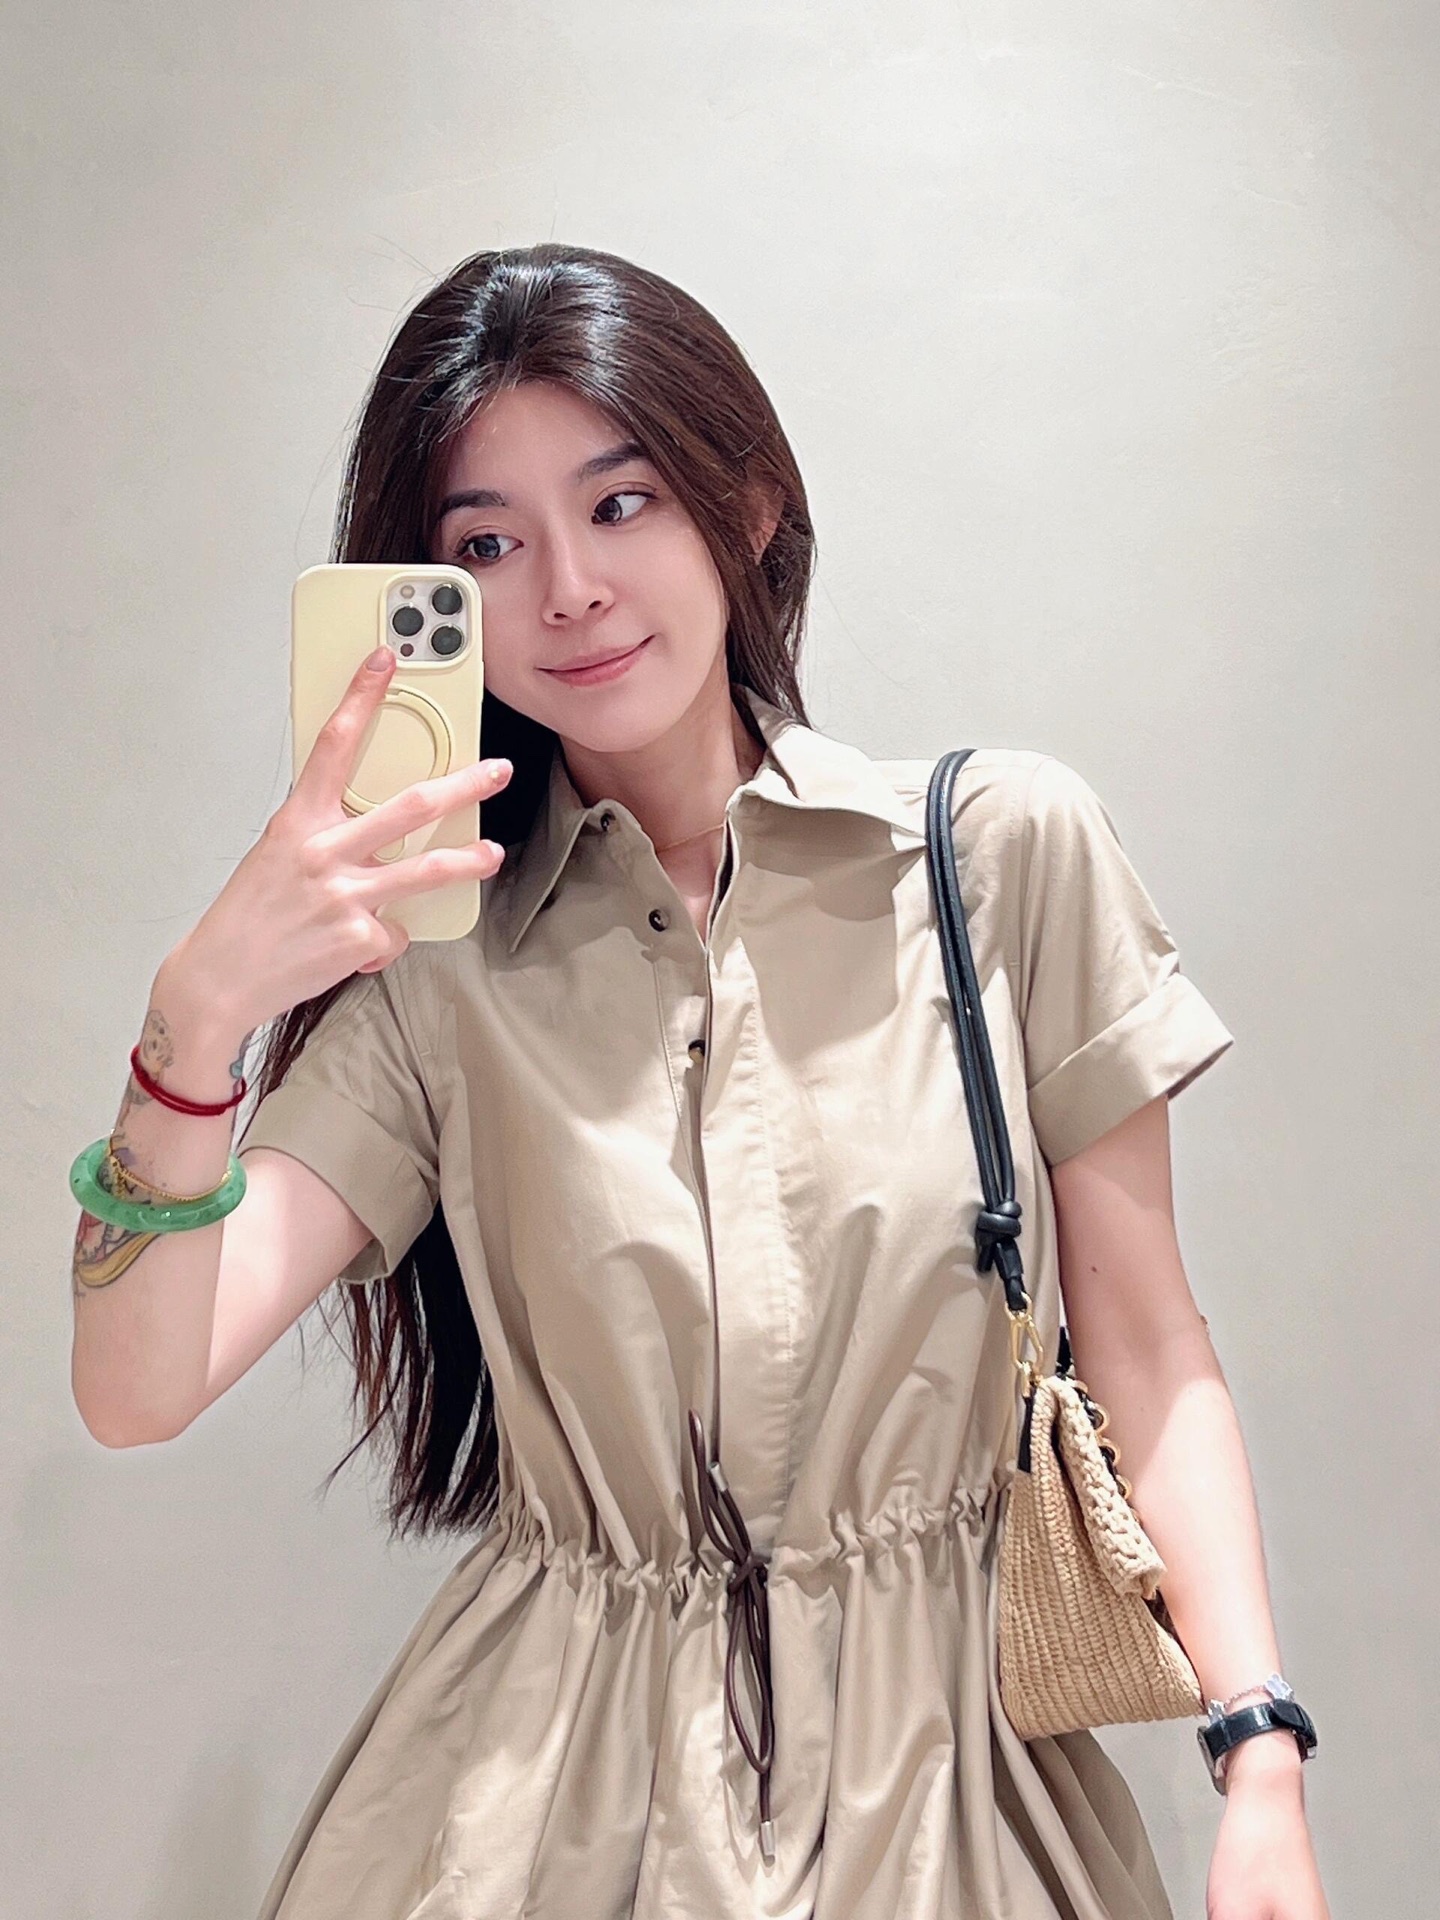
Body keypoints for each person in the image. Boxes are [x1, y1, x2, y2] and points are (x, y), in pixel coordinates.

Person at [69, 243, 1330, 1920]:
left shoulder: (998, 854)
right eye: (487, 545)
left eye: (621, 502)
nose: (568, 591)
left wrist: (1259, 1757)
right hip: (543, 1810)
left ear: (745, 502)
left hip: (945, 1804)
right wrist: (199, 1014)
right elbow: (136, 1388)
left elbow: (1151, 1342)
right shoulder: (440, 977)